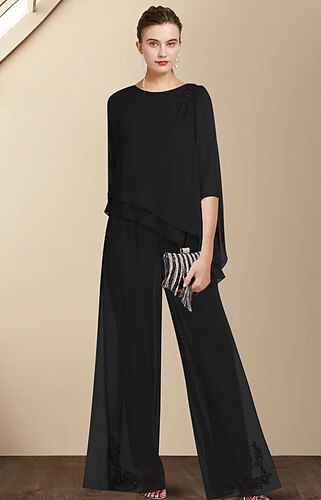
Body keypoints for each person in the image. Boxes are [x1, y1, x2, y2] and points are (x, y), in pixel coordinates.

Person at [82, 6, 282, 500]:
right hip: (128, 237)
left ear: (180, 45)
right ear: (138, 46)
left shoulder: (195, 99)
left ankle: (241, 478)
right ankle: (141, 475)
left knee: (212, 354)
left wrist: (206, 253)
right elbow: (121, 178)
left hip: (184, 242)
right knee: (133, 353)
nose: (163, 52)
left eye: (171, 43)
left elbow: (208, 180)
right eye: (153, 43)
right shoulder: (118, 104)